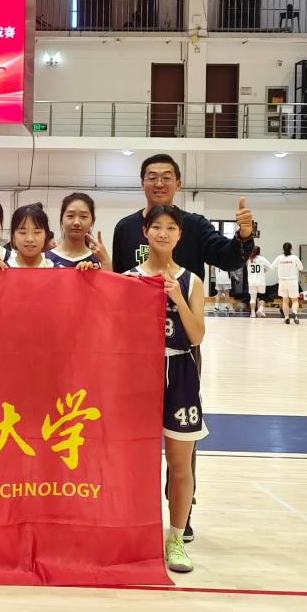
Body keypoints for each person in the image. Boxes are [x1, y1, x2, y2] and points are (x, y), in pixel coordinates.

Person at [112, 154, 254, 543]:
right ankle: (134, 516)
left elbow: (228, 257)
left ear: (179, 182)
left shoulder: (195, 226)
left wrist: (243, 237)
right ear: (141, 182)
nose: (159, 183)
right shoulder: (125, 228)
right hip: (137, 356)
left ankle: (181, 517)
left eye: (166, 177)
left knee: (182, 444)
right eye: (151, 176)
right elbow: (116, 287)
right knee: (133, 443)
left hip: (181, 351)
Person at [124, 205, 207, 574]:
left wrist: (177, 299)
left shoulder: (192, 281)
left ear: (179, 235)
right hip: (139, 374)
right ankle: (134, 532)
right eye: (156, 226)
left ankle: (175, 538)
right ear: (145, 232)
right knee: (133, 462)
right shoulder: (129, 279)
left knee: (179, 464)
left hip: (180, 371)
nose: (163, 233)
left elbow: (197, 335)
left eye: (170, 227)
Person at [49, 192, 110, 269]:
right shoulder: (45, 260)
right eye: (70, 216)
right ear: (61, 219)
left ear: (92, 221)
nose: (76, 222)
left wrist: (106, 262)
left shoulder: (99, 261)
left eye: (83, 216)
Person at [6, 204, 55, 269]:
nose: (30, 239)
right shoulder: (2, 270)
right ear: (13, 236)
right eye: (23, 232)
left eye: (37, 232)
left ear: (45, 235)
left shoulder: (57, 271)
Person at [271, 243, 303, 325]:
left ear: (283, 249)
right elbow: (301, 268)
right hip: (293, 281)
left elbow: (272, 267)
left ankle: (286, 318)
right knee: (295, 300)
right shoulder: (295, 257)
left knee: (285, 301)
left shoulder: (279, 258)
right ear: (291, 249)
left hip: (282, 281)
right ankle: (295, 313)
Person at [246, 246, 271, 318]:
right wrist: (263, 271)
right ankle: (260, 309)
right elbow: (269, 266)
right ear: (259, 251)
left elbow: (247, 269)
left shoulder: (248, 259)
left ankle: (253, 314)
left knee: (252, 298)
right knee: (262, 296)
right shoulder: (262, 259)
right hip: (260, 281)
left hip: (251, 281)